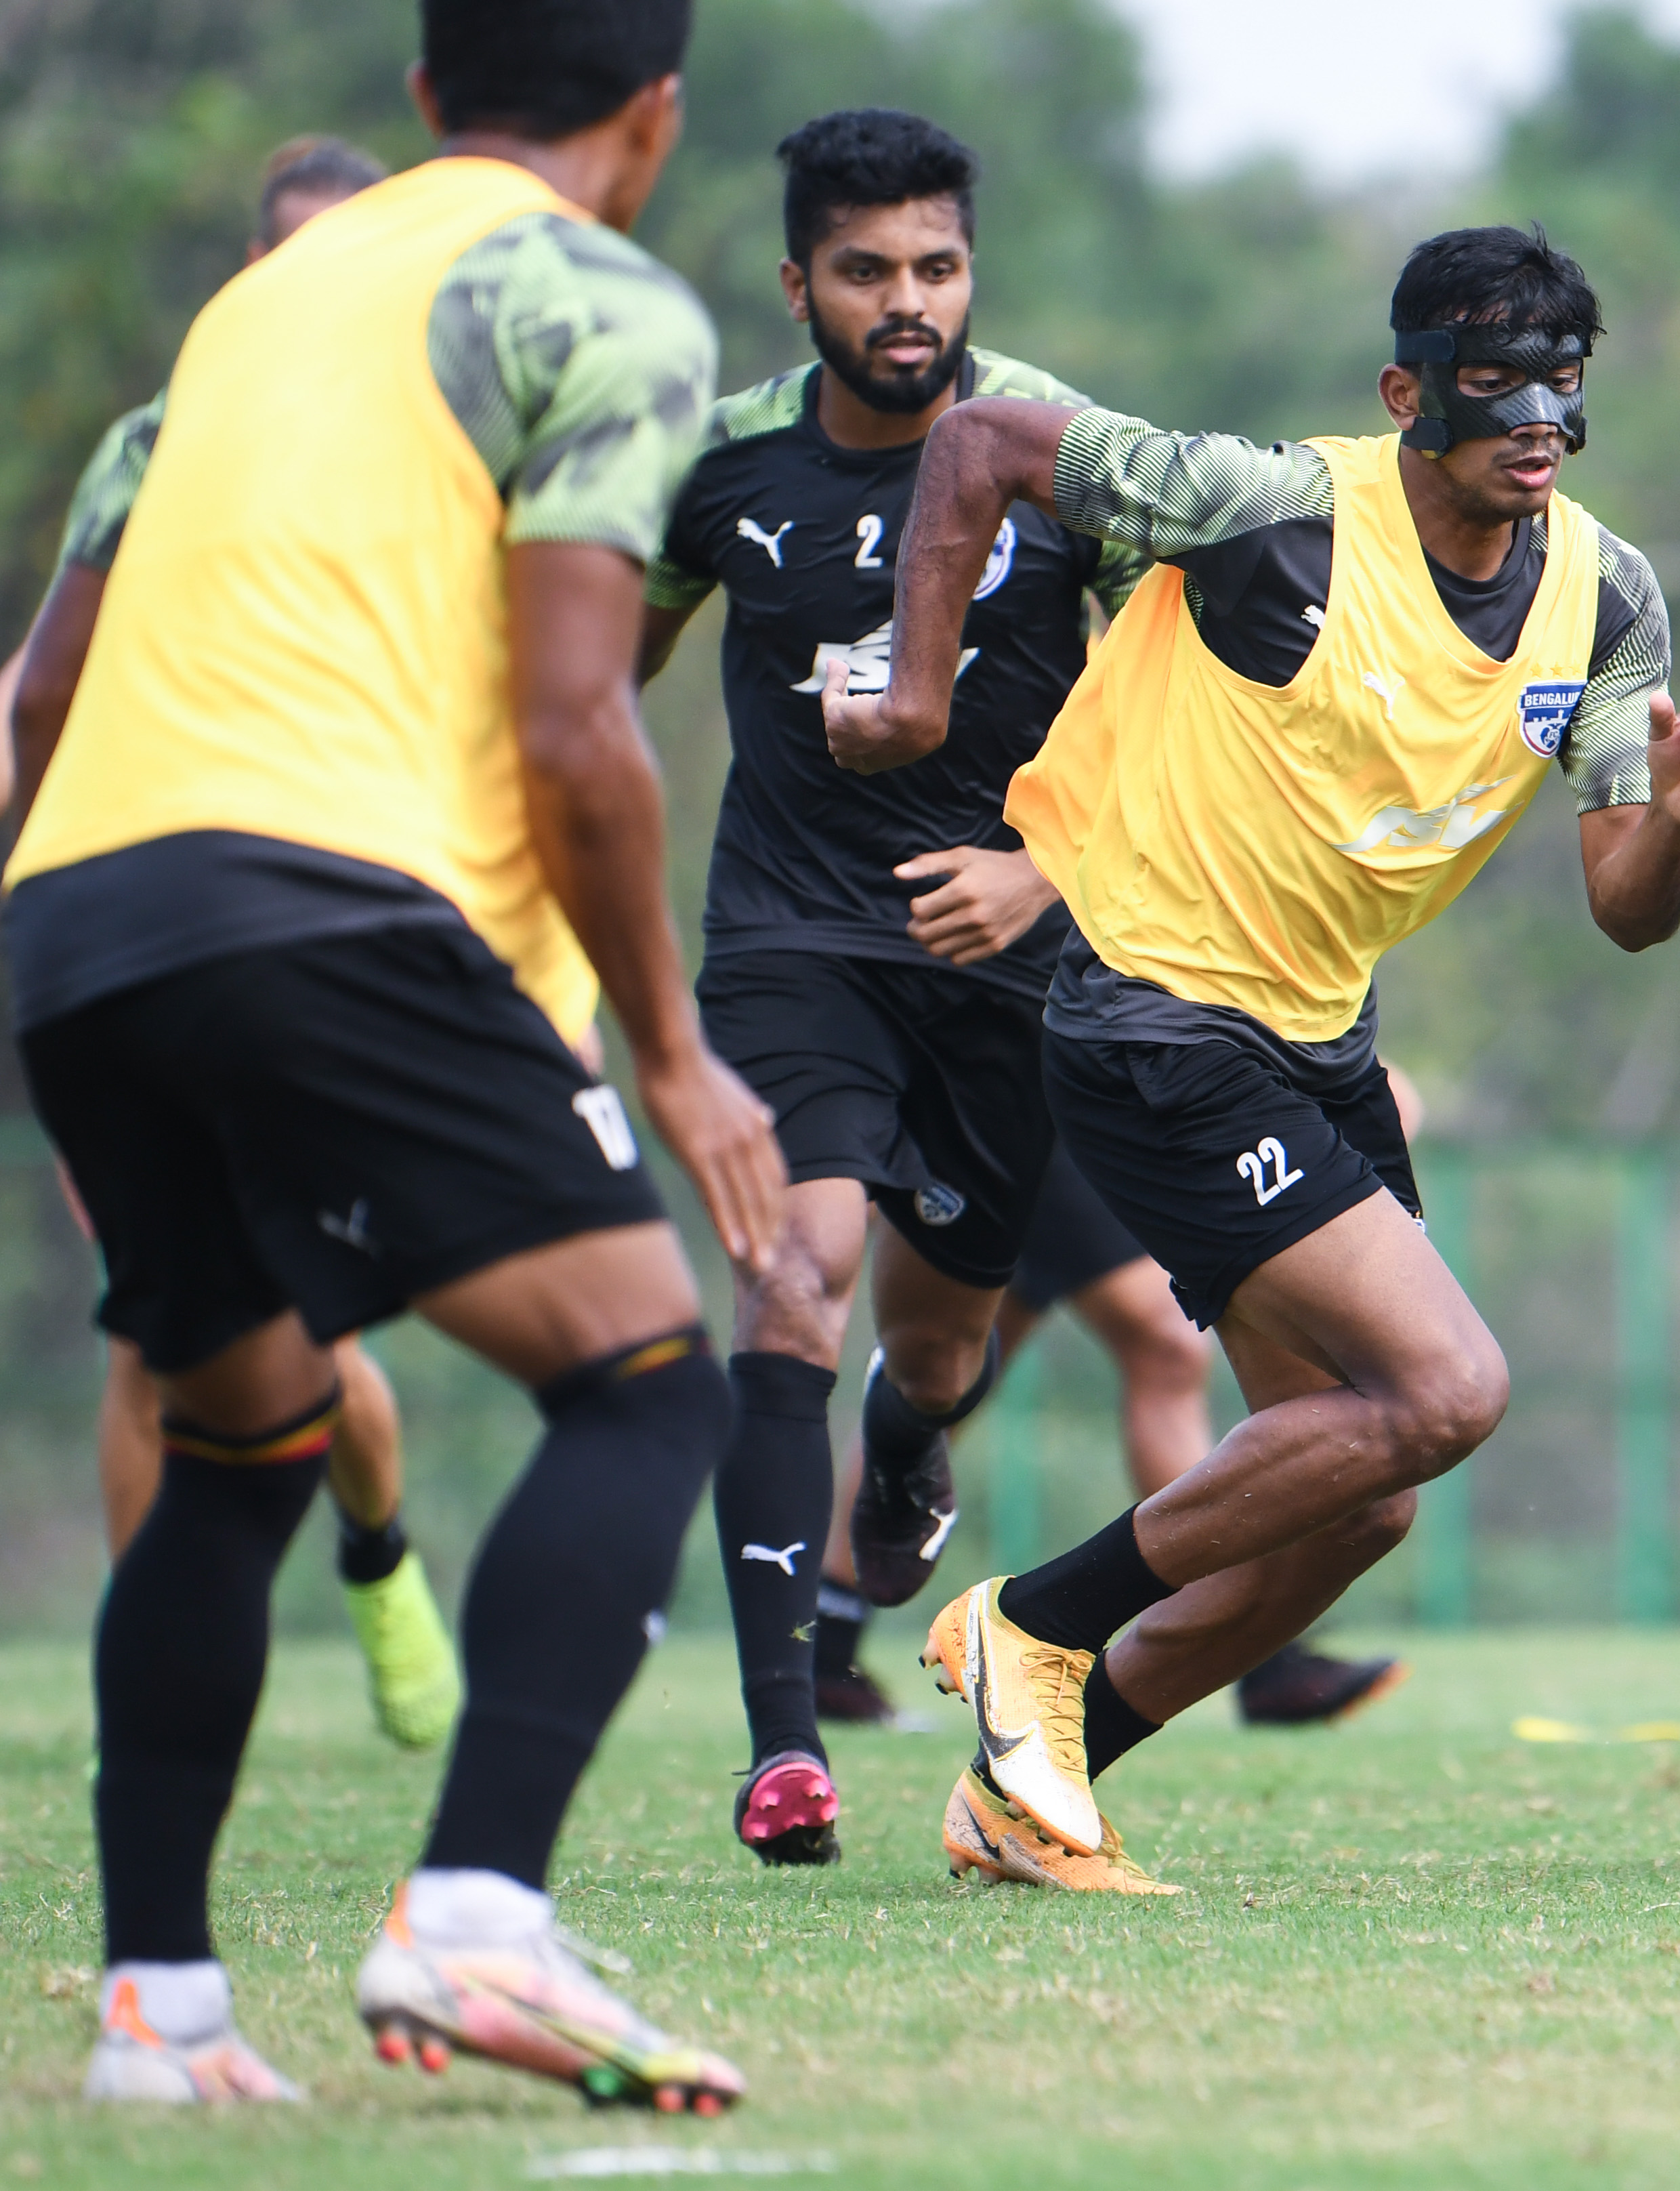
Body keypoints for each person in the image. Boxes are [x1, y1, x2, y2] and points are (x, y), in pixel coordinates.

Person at [16, 0, 784, 2106]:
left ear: (429, 97)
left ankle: (161, 2017)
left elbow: (32, 704)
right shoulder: (595, 298)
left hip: (82, 913)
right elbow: (574, 720)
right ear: (657, 117)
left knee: (242, 1442)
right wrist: (672, 1049)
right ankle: (476, 1921)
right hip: (332, 900)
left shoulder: (241, 326)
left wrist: (76, 992)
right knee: (646, 1382)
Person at [822, 223, 1680, 1893]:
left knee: (1362, 1500)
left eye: (1564, 384)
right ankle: (1029, 1625)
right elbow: (978, 443)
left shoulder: (1609, 595)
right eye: (1493, 384)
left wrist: (1674, 823)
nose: (1536, 415)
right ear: (1408, 394)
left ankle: (1038, 1784)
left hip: (1321, 1032)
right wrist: (910, 688)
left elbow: (1628, 908)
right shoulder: (1272, 510)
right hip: (1154, 1011)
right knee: (1451, 1391)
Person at [634, 106, 1155, 1869]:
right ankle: (785, 1748)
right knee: (797, 1271)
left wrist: (1048, 869)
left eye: (934, 266)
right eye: (865, 271)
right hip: (787, 940)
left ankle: (910, 1440)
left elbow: (1191, 694)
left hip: (1004, 963)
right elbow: (591, 684)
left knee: (932, 1345)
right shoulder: (715, 472)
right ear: (800, 286)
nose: (904, 300)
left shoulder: (1065, 450)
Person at [6, 135, 464, 1756]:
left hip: (342, 925)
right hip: (134, 919)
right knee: (156, 1326)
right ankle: (161, 1689)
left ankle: (378, 1549)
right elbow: (39, 694)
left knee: (311, 1331)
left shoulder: (446, 444)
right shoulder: (161, 441)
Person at [810, 1110, 1408, 1733]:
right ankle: (1247, 1645)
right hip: (1023, 1101)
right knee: (1160, 1345)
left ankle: (829, 1642)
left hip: (1053, 1112)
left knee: (945, 1376)